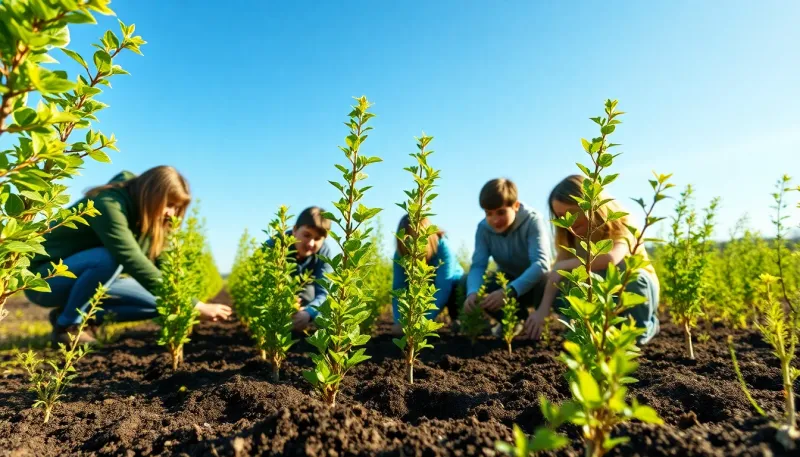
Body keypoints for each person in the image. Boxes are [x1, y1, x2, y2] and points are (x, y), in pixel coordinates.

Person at [25, 166, 232, 344]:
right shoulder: (108, 205)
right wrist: (196, 306)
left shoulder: (148, 218)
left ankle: (78, 315)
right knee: (109, 257)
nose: (172, 213)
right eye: (169, 204)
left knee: (162, 303)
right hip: (44, 281)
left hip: (90, 275)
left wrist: (186, 302)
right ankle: (67, 326)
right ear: (152, 195)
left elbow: (166, 264)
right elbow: (131, 259)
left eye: (177, 208)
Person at [524, 174, 660, 344]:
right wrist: (542, 311)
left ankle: (643, 330)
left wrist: (563, 265)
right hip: (602, 294)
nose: (567, 221)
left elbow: (611, 258)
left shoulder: (621, 223)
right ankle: (585, 333)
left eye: (572, 213)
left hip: (635, 290)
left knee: (634, 278)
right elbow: (555, 274)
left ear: (593, 205)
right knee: (565, 285)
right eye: (560, 216)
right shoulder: (570, 236)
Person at [463, 178, 552, 336]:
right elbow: (478, 266)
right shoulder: (483, 229)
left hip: (535, 286)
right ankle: (515, 321)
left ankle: (540, 326)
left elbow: (541, 264)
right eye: (488, 213)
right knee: (475, 284)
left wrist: (509, 292)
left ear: (516, 206)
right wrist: (473, 292)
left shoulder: (533, 221)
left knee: (547, 277)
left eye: (501, 212)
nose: (495, 220)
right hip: (508, 282)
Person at [391, 216, 464, 335]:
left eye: (416, 239)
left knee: (459, 286)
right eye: (407, 241)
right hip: (426, 288)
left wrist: (421, 323)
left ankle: (458, 318)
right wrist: (399, 322)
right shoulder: (401, 254)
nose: (412, 246)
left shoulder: (443, 248)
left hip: (451, 286)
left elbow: (442, 288)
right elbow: (399, 288)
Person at [265, 206, 333, 332]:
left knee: (323, 308)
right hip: (275, 297)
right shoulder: (274, 245)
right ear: (295, 230)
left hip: (305, 294)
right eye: (307, 235)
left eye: (318, 239)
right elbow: (260, 282)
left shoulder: (324, 252)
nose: (311, 243)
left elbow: (324, 291)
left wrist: (308, 313)